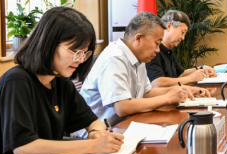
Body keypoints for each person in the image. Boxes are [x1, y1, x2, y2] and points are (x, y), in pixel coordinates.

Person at [0, 7, 124, 154]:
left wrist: (96, 134)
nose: (80, 59)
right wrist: (93, 145)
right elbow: (24, 150)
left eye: (84, 52)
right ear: (48, 43)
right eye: (74, 51)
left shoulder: (61, 83)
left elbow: (94, 122)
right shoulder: (17, 81)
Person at [80, 12, 210, 130]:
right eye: (157, 43)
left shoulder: (138, 57)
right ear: (138, 39)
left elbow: (146, 93)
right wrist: (167, 98)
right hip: (96, 135)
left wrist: (183, 89)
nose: (158, 50)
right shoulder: (115, 58)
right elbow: (122, 107)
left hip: (124, 126)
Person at [146, 10, 216, 87]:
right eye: (182, 32)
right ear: (169, 26)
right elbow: (157, 83)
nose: (183, 38)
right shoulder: (153, 50)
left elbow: (181, 74)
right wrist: (190, 78)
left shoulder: (168, 51)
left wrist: (202, 68)